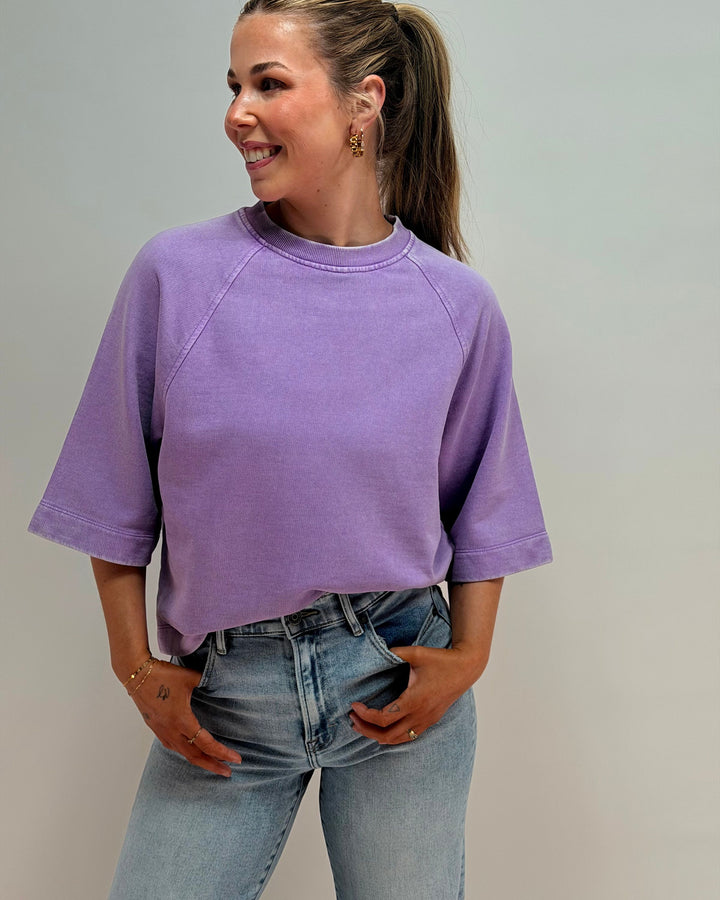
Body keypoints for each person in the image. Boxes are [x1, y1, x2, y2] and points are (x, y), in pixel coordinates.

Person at [28, 1, 553, 897]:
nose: (238, 111)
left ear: (364, 102)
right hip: (226, 700)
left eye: (268, 83)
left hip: (396, 684)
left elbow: (485, 512)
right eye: (234, 86)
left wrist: (467, 660)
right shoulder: (178, 276)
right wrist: (136, 671)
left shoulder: (456, 306)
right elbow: (112, 501)